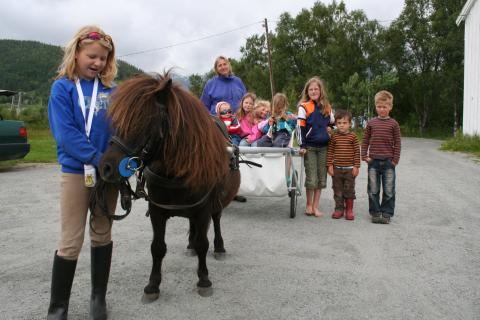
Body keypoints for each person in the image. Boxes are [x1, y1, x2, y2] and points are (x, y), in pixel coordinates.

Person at [46, 25, 118, 320]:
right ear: (75, 53)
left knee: (102, 233)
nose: (98, 63)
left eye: (103, 58)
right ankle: (58, 308)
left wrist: (120, 163)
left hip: (108, 176)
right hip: (77, 172)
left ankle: (98, 300)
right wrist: (96, 158)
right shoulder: (62, 88)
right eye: (92, 56)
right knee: (70, 241)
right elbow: (66, 134)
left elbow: (121, 132)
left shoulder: (113, 92)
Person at [361, 90, 401, 224]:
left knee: (389, 189)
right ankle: (375, 212)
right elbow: (365, 140)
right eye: (379, 106)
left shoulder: (394, 124)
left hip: (389, 162)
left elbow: (398, 143)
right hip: (373, 162)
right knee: (373, 189)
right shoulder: (371, 123)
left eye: (385, 107)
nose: (382, 109)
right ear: (375, 106)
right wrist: (364, 155)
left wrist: (395, 160)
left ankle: (387, 213)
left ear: (390, 107)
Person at [297, 77, 335, 217]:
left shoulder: (327, 107)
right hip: (310, 148)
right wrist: (302, 145)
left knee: (321, 178)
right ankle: (308, 205)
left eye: (316, 89)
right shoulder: (304, 106)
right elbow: (300, 127)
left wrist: (331, 129)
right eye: (311, 89)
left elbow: (333, 123)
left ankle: (315, 206)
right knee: (311, 178)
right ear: (307, 91)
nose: (313, 91)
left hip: (324, 147)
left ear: (320, 90)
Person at [326, 110, 361, 220]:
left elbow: (357, 152)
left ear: (350, 124)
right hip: (337, 169)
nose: (342, 125)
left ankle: (349, 210)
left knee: (349, 189)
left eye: (344, 123)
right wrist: (329, 166)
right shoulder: (334, 137)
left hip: (350, 169)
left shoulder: (353, 137)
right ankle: (339, 209)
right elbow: (330, 151)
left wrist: (356, 166)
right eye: (339, 123)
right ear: (336, 124)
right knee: (337, 189)